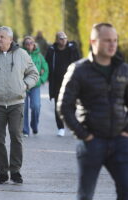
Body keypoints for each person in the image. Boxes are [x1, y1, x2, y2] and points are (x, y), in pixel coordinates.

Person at [57, 23, 128, 200]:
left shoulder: (123, 69)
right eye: (107, 41)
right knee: (85, 195)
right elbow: (64, 106)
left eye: (114, 40)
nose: (112, 45)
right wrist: (83, 134)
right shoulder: (79, 70)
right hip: (92, 143)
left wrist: (126, 131)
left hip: (119, 141)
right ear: (93, 42)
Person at [0, 26, 39, 184]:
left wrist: (24, 85)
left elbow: (34, 73)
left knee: (16, 137)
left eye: (2, 37)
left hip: (16, 103)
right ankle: (3, 172)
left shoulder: (22, 54)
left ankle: (15, 171)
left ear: (11, 39)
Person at [45, 31, 80, 136]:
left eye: (65, 37)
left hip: (71, 82)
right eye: (61, 38)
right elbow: (47, 64)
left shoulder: (72, 49)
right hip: (56, 83)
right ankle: (60, 127)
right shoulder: (52, 50)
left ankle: (71, 123)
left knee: (72, 104)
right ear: (56, 40)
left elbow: (78, 62)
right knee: (58, 105)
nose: (63, 39)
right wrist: (47, 77)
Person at [22, 36, 48, 137]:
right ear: (24, 45)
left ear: (34, 44)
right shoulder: (20, 55)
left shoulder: (39, 56)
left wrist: (41, 80)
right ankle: (25, 130)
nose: (29, 45)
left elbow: (45, 69)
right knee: (23, 108)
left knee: (36, 106)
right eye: (27, 43)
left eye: (31, 43)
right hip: (23, 86)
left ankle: (34, 125)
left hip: (35, 86)